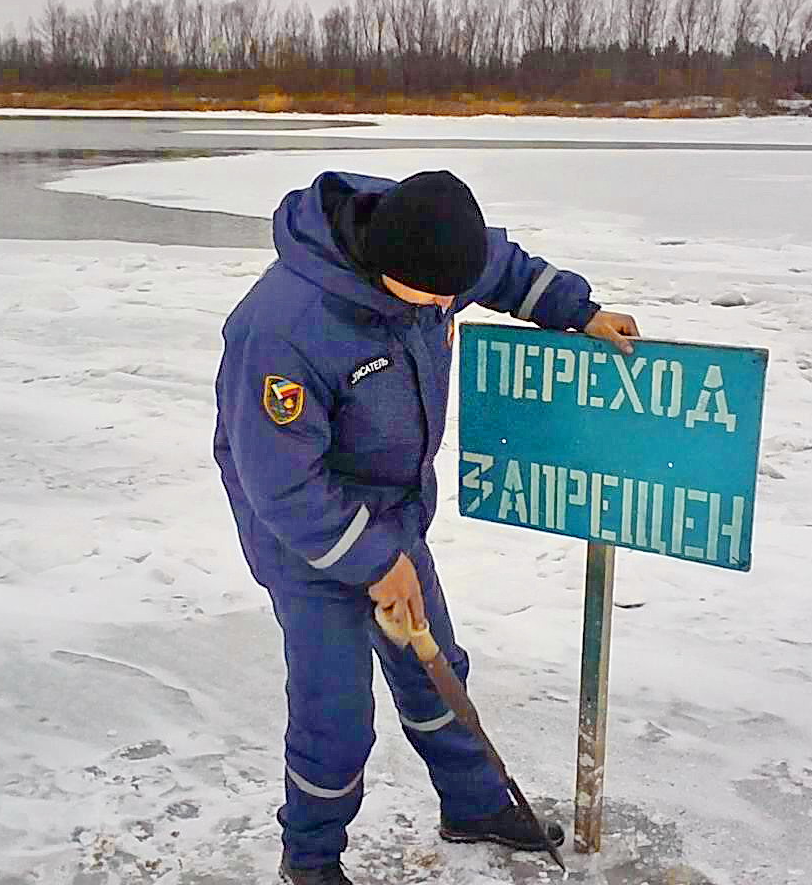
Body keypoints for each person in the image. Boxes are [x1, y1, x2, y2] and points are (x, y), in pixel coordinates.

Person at [213, 169, 639, 885]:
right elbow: (279, 484)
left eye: (453, 292)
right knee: (336, 713)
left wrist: (579, 310)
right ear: (385, 269)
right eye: (434, 296)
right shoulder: (284, 328)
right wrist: (375, 561)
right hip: (305, 538)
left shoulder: (430, 252)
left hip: (394, 514)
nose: (447, 306)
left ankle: (473, 805)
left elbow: (498, 267)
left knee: (434, 666)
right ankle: (311, 858)